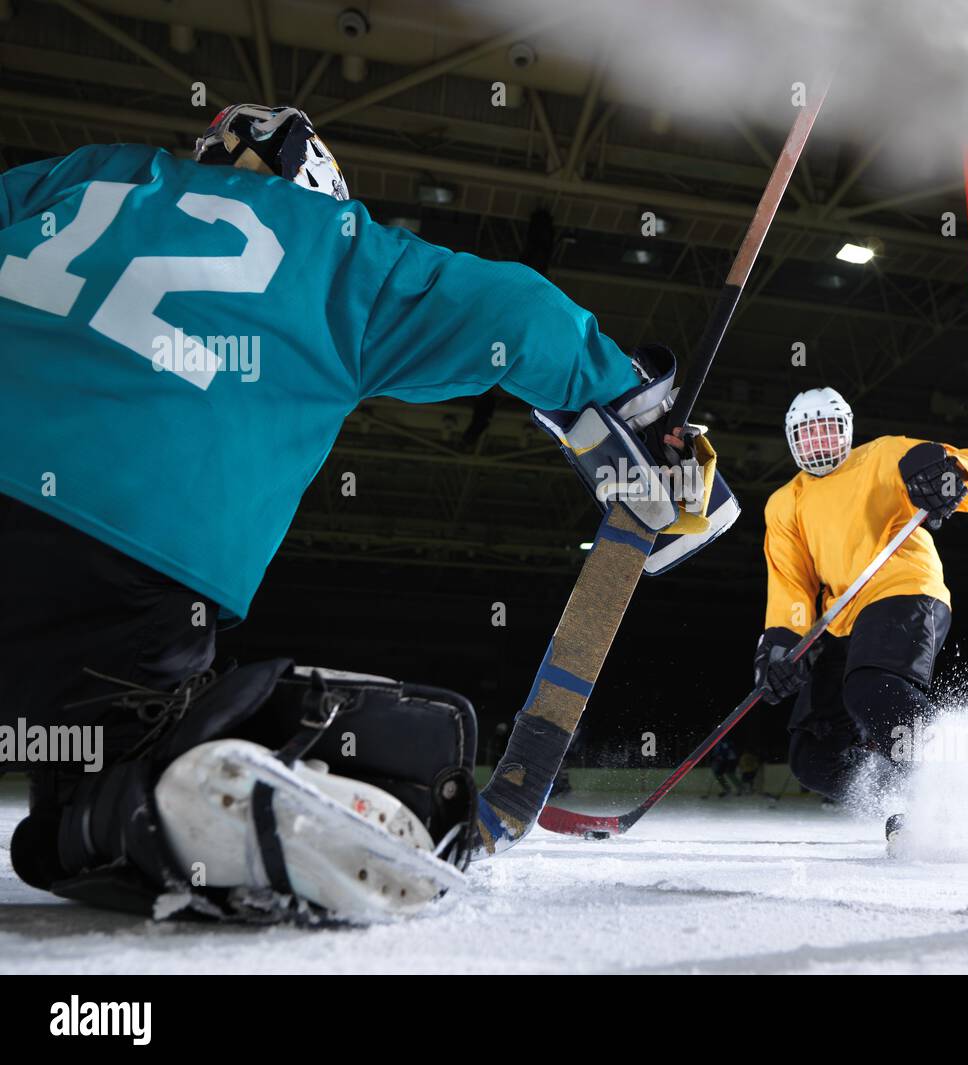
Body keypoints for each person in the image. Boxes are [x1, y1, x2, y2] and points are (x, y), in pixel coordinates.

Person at [0, 104, 723, 922]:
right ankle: (153, 797)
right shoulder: (333, 244)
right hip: (121, 565)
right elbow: (513, 314)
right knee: (106, 787)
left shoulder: (88, 174)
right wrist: (628, 407)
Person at [751, 387, 968, 843]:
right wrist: (783, 643)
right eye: (807, 434)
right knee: (814, 758)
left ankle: (959, 784)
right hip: (840, 621)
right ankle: (910, 795)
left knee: (873, 689)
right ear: (791, 440)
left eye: (827, 429)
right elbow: (791, 583)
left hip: (902, 589)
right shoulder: (785, 503)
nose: (819, 442)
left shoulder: (883, 456)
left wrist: (949, 473)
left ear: (846, 431)